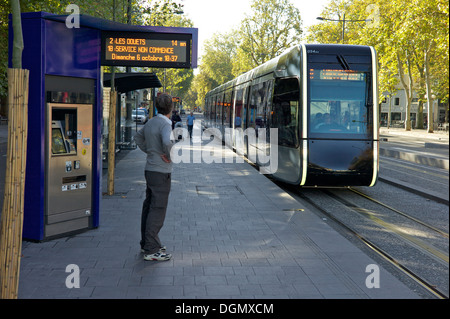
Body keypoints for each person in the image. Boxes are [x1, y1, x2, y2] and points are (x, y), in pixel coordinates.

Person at [133, 93, 175, 261]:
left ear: (156, 107)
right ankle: (151, 250)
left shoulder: (151, 122)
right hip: (161, 171)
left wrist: (150, 151)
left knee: (149, 207)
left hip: (150, 170)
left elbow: (137, 137)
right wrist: (169, 155)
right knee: (158, 209)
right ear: (171, 107)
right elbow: (166, 142)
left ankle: (147, 243)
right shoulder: (166, 124)